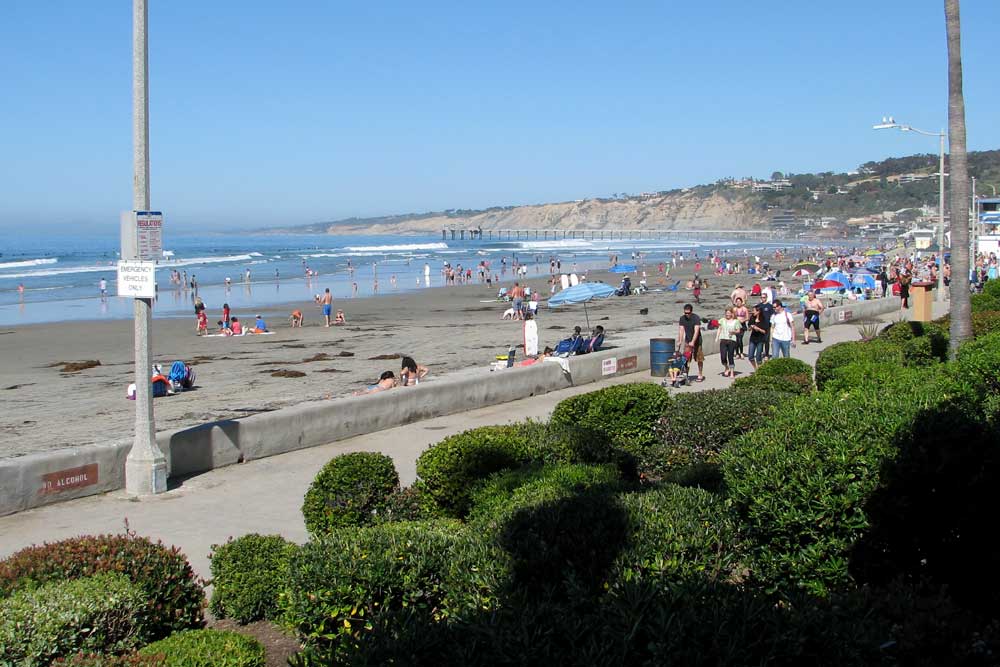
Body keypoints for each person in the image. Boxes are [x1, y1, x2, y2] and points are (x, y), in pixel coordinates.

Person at [677, 304, 705, 382]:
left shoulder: (696, 318)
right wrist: (679, 340)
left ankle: (700, 374)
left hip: (697, 341)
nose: (687, 315)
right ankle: (686, 374)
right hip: (687, 340)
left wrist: (693, 341)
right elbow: (681, 330)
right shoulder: (682, 319)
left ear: (691, 312)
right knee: (686, 358)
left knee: (699, 358)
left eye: (688, 313)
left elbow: (696, 331)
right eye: (685, 313)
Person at [716, 307, 741, 377]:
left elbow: (738, 331)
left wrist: (733, 332)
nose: (727, 315)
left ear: (732, 314)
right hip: (723, 339)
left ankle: (732, 372)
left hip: (731, 340)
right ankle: (726, 367)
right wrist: (717, 337)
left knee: (730, 356)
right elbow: (719, 328)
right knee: (723, 356)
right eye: (726, 313)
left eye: (729, 313)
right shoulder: (722, 320)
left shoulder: (736, 321)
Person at [747, 303, 768, 370]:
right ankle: (756, 368)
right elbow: (749, 328)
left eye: (754, 311)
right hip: (753, 339)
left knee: (758, 357)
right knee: (750, 356)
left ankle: (760, 369)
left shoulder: (763, 319)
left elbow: (765, 331)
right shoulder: (752, 318)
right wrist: (751, 327)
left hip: (760, 339)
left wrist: (758, 329)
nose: (753, 312)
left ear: (758, 311)